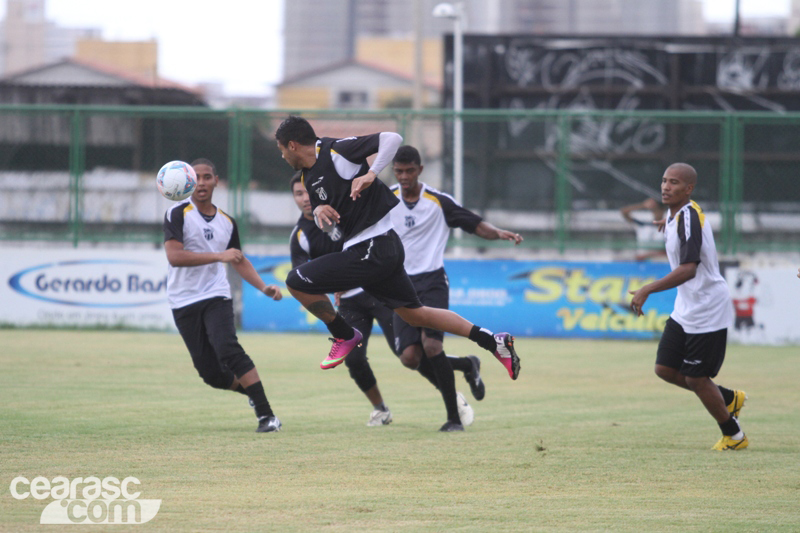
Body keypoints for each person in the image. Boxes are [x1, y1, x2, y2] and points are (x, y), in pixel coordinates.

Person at [275, 115, 520, 432]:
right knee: (417, 316)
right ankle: (493, 341)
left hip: (373, 247)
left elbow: (391, 137)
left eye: (282, 149)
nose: (282, 156)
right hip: (381, 251)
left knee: (296, 281)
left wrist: (372, 173)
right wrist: (322, 210)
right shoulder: (309, 178)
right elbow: (332, 213)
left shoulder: (336, 150)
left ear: (293, 145)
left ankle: (344, 334)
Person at [290, 172, 475, 427]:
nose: (304, 198)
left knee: (410, 356)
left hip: (377, 291)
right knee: (354, 360)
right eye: (298, 194)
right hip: (350, 303)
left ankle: (453, 397)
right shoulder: (300, 235)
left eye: (306, 192)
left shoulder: (339, 212)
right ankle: (381, 409)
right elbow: (302, 274)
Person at [389, 145, 523, 421]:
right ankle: (467, 364)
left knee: (432, 348)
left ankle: (453, 418)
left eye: (409, 170)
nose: (404, 176)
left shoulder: (439, 202)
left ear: (420, 170)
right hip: (399, 284)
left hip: (432, 281)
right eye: (399, 171)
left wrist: (497, 233)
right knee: (410, 358)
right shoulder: (385, 199)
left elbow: (475, 224)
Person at [629, 163, 748, 451]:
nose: (666, 187)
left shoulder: (687, 218)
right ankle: (728, 398)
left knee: (696, 378)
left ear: (688, 189)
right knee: (665, 369)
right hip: (687, 306)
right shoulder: (677, 215)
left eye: (674, 182)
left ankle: (734, 436)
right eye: (664, 180)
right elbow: (683, 226)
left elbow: (689, 269)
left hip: (707, 307)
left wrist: (648, 288)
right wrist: (666, 224)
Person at [163, 158, 283, 433]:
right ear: (188, 182)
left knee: (227, 346)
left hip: (216, 295)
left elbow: (238, 260)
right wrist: (219, 255)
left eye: (207, 177)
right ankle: (255, 394)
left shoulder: (227, 222)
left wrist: (264, 287)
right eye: (197, 178)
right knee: (212, 375)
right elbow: (175, 257)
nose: (202, 183)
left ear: (217, 180)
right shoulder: (177, 213)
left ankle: (266, 416)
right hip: (183, 300)